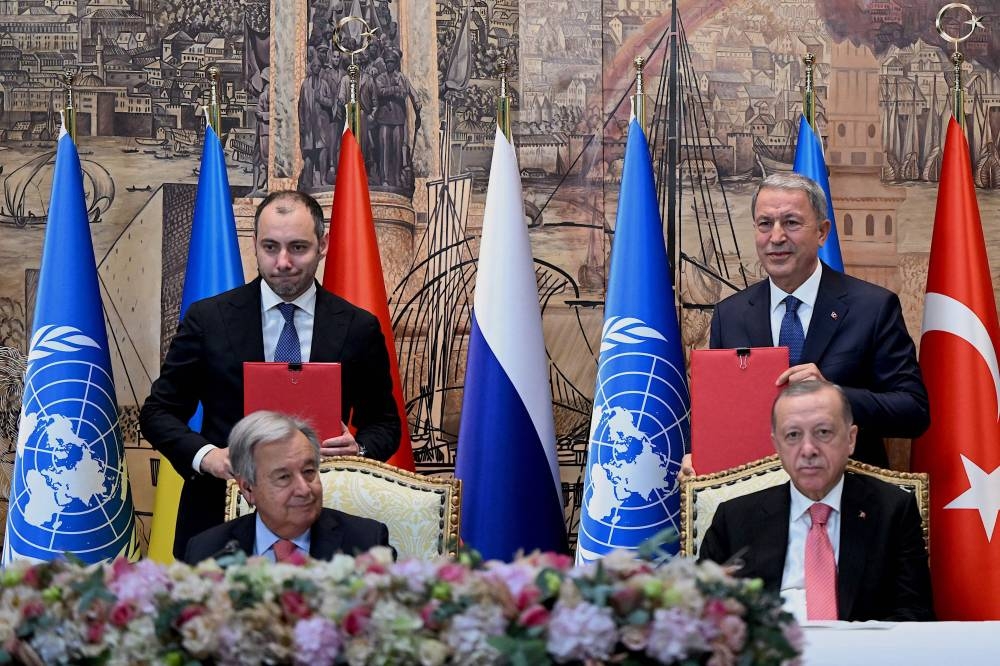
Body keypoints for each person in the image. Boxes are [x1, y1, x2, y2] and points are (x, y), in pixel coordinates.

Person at [140, 190, 400, 558]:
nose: (282, 262)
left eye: (297, 248)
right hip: (217, 515)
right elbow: (157, 413)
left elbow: (385, 425)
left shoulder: (358, 327)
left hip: (321, 521)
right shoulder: (208, 320)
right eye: (270, 247)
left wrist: (361, 448)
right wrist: (207, 456)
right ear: (255, 245)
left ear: (322, 244)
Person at [708, 172, 928, 467]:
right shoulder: (729, 315)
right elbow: (717, 412)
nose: (776, 237)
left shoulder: (873, 308)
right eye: (765, 224)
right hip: (756, 500)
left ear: (822, 232)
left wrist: (834, 396)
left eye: (791, 222)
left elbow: (913, 412)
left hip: (848, 498)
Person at [698, 381, 934, 622]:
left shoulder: (892, 510)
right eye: (793, 435)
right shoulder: (735, 519)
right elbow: (700, 615)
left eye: (823, 432)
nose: (808, 449)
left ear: (851, 439)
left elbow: (914, 616)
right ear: (776, 445)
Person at [183, 411, 390, 564]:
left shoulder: (366, 544)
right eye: (284, 477)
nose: (304, 490)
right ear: (247, 489)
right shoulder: (207, 552)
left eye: (309, 472)